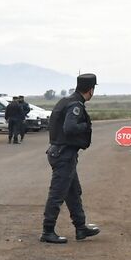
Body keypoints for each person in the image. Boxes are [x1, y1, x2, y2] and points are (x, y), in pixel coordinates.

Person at [40, 74, 100, 244]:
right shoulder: (76, 105)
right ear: (91, 90)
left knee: (73, 192)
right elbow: (70, 127)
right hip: (63, 154)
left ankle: (81, 228)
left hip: (60, 153)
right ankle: (47, 230)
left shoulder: (66, 101)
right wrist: (86, 125)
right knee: (57, 194)